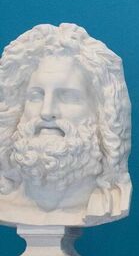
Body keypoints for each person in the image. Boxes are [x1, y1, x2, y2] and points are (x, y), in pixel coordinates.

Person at [0, 22, 132, 226]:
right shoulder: (4, 199)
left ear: (101, 113)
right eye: (36, 96)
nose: (47, 111)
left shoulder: (111, 199)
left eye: (67, 97)